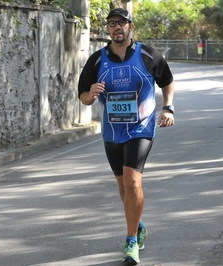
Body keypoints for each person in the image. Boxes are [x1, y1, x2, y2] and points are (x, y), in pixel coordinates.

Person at [78, 8, 175, 265]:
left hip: (141, 128)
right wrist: (92, 93)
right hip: (112, 130)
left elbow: (167, 80)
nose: (117, 27)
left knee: (132, 182)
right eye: (112, 24)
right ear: (108, 29)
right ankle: (138, 224)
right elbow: (83, 97)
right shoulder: (97, 60)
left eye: (121, 23)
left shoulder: (147, 54)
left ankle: (131, 241)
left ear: (130, 26)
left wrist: (168, 107)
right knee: (123, 187)